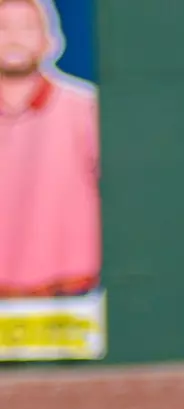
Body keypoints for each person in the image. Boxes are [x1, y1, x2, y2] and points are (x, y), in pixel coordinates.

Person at [0, 0, 99, 298]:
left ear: (50, 41)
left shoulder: (85, 108)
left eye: (27, 27)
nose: (14, 38)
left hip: (71, 290)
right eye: (2, 28)